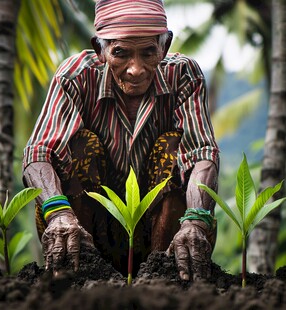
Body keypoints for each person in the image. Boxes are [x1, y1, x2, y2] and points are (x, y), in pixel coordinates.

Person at [22, 0, 219, 281]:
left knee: (173, 146)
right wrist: (58, 215)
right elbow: (38, 154)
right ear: (100, 49)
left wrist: (197, 220)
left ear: (164, 46)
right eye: (121, 53)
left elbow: (202, 152)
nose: (135, 69)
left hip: (164, 233)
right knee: (79, 144)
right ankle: (79, 273)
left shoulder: (183, 75)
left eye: (148, 52)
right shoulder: (76, 76)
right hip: (85, 226)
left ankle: (161, 279)